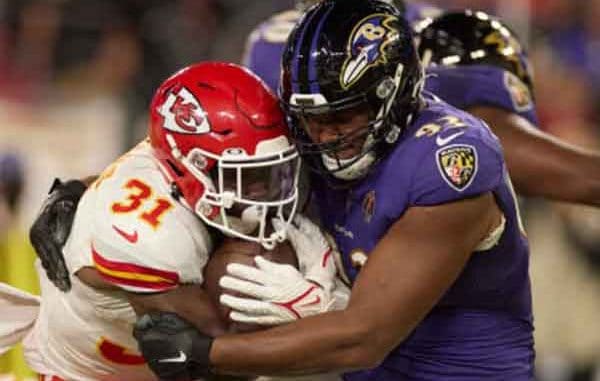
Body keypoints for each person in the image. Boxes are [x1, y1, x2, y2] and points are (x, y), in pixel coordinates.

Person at [133, 1, 534, 380]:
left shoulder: (447, 161)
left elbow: (364, 338)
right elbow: (196, 153)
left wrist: (203, 352)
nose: (325, 135)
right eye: (311, 118)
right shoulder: (313, 131)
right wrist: (90, 191)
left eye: (342, 116)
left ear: (393, 95)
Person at [19, 61, 338, 381]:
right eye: (249, 177)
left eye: (270, 173)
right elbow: (218, 361)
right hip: (91, 372)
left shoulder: (173, 155)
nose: (266, 193)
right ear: (190, 167)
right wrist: (317, 312)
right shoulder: (149, 239)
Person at [243, 1, 600, 208]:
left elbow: (515, 154)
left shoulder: (449, 41)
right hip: (317, 255)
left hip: (423, 262)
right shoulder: (273, 45)